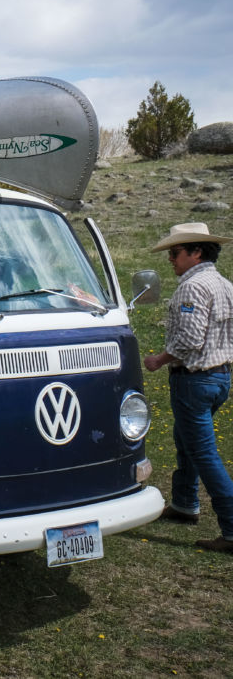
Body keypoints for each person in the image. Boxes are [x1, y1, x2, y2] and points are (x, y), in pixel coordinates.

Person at [142, 222, 233, 554]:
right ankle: (184, 504)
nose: (171, 259)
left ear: (196, 251)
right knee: (187, 440)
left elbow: (191, 341)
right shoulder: (223, 284)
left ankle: (231, 527)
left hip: (194, 379)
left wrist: (159, 359)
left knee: (204, 453)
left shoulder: (193, 288)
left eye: (175, 252)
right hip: (219, 377)